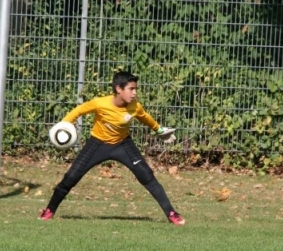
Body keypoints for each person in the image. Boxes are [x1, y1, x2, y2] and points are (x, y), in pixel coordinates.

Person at [40, 70, 185, 225]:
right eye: (131, 89)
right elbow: (79, 110)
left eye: (136, 89)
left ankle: (171, 214)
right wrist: (63, 125)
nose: (134, 93)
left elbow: (145, 118)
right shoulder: (100, 103)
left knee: (147, 176)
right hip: (97, 144)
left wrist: (158, 130)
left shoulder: (135, 106)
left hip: (123, 144)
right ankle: (49, 210)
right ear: (118, 89)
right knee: (71, 177)